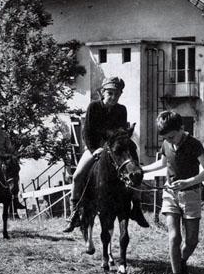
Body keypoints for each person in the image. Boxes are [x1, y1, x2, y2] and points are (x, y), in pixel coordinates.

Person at [63, 77, 149, 232]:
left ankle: (136, 207)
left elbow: (121, 133)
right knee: (77, 176)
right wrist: (94, 149)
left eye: (117, 94)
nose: (114, 97)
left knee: (134, 170)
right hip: (94, 148)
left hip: (115, 149)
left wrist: (118, 145)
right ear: (103, 92)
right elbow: (87, 132)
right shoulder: (94, 107)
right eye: (110, 93)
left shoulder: (121, 110)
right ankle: (75, 212)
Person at [141, 111, 204, 274]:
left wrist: (187, 182)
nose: (170, 140)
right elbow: (163, 163)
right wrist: (142, 170)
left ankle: (181, 263)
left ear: (182, 128)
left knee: (191, 241)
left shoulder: (194, 144)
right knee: (174, 237)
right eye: (166, 138)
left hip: (191, 195)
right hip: (170, 194)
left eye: (172, 136)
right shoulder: (166, 143)